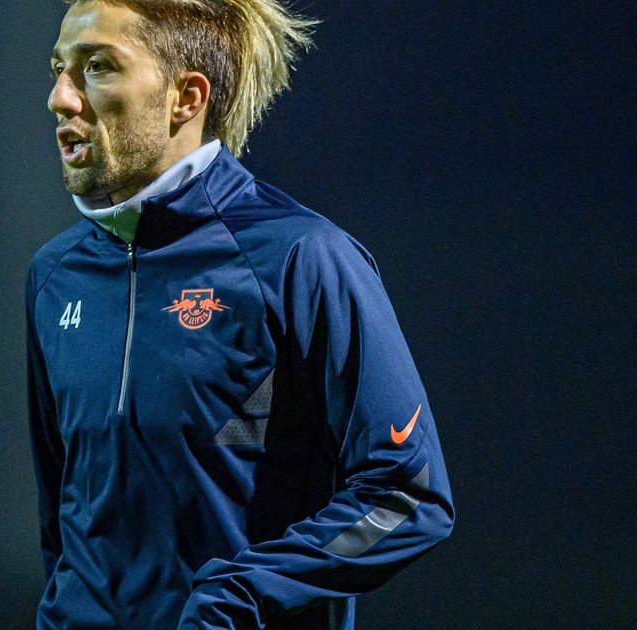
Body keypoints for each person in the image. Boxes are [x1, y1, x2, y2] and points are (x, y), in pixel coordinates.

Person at [24, 1, 455, 628]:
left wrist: (244, 592)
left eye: (98, 67)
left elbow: (408, 494)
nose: (60, 98)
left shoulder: (301, 259)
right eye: (59, 68)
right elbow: (63, 526)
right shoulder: (54, 276)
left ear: (186, 98)